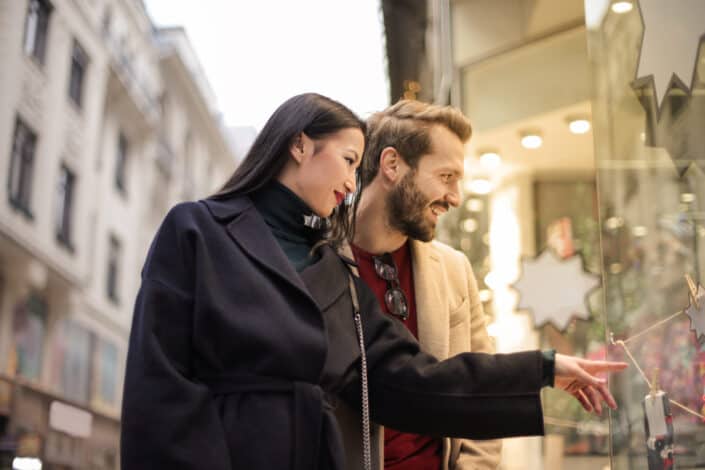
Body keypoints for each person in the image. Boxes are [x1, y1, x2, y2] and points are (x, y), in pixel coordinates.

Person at [120, 93, 627, 470]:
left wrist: (541, 369)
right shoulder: (196, 231)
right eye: (347, 162)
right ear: (299, 145)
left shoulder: (331, 272)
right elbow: (160, 388)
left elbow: (412, 378)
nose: (350, 183)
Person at [337, 100, 502, 469]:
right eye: (446, 177)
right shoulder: (317, 261)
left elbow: (483, 396)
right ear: (392, 165)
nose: (455, 197)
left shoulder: (455, 269)